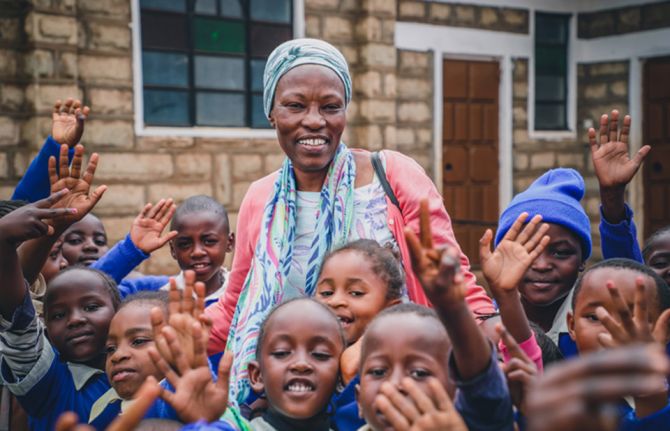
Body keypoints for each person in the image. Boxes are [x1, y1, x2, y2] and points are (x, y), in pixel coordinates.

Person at [205, 38, 495, 405]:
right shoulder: (260, 199)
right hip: (300, 392)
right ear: (271, 112)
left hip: (394, 385)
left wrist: (500, 332)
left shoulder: (390, 175)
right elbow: (236, 305)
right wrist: (167, 332)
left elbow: (454, 283)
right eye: (295, 106)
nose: (314, 120)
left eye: (330, 107)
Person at [494, 168, 591, 357]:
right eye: (527, 250)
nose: (541, 265)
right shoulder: (488, 319)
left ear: (582, 260)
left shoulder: (594, 324)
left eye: (561, 253)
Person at [567, 258, 670, 427]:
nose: (613, 331)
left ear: (666, 331)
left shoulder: (660, 400)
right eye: (594, 317)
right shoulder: (556, 404)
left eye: (632, 320)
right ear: (572, 325)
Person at [85, 292, 170, 424]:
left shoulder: (178, 403)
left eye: (138, 341)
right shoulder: (103, 409)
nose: (117, 355)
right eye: (110, 348)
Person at [162, 195, 234, 306]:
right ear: (173, 249)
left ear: (229, 242)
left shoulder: (243, 294)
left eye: (209, 241)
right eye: (185, 244)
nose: (197, 252)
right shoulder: (164, 300)